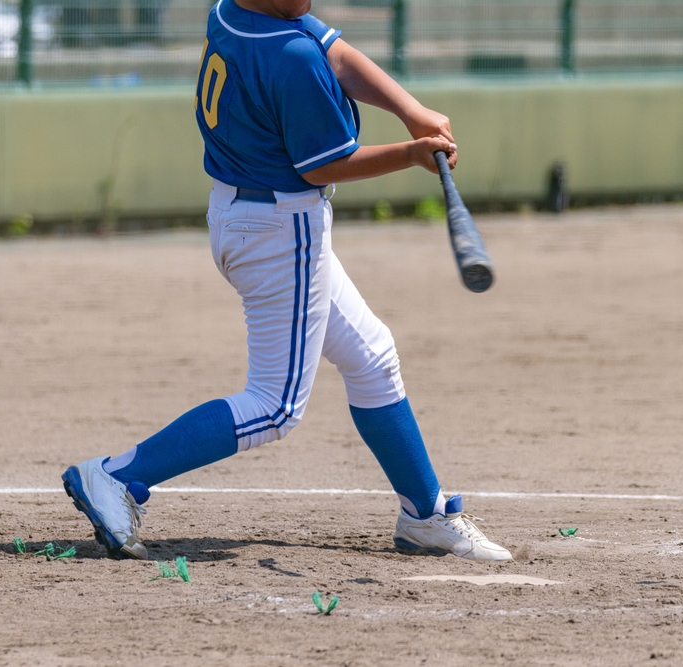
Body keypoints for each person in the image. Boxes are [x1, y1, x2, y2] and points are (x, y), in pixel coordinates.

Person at [61, 0, 511, 563]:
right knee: (274, 406)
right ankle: (115, 476)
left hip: (244, 216)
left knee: (372, 357)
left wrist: (411, 110)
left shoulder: (233, 11)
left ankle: (425, 514)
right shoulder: (290, 54)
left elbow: (335, 52)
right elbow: (320, 165)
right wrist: (410, 153)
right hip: (279, 230)